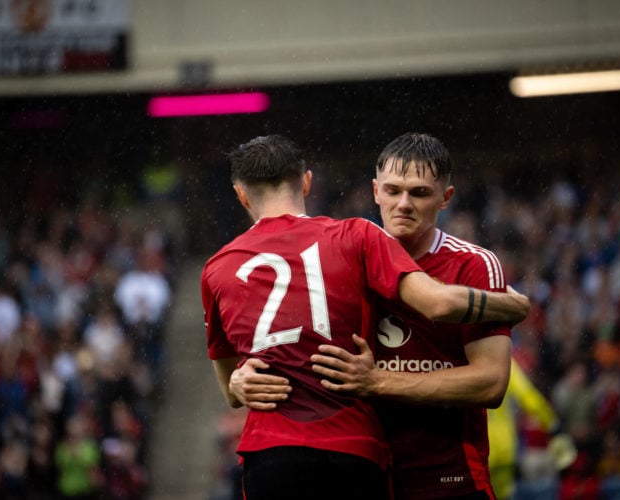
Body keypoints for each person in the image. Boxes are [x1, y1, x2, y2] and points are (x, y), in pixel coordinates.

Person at [201, 134, 529, 500]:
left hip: (446, 478)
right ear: (375, 191)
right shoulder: (347, 251)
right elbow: (287, 342)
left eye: (419, 193)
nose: (403, 204)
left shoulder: (474, 265)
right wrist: (241, 381)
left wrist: (378, 381)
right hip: (367, 467)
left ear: (445, 198)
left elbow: (491, 384)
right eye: (392, 191)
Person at [488, 357, 576, 500]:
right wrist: (552, 424)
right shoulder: (501, 358)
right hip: (504, 447)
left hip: (476, 450)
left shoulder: (457, 357)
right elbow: (527, 395)